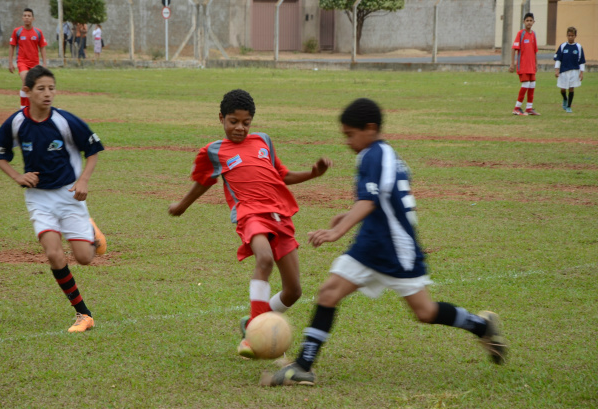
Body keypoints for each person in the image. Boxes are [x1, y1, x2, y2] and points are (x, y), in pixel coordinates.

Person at [264, 98, 507, 386]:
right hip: (371, 244)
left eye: (350, 135)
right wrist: (347, 215)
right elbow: (382, 200)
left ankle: (481, 326)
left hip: (396, 250)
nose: (347, 141)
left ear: (370, 128)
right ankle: (303, 366)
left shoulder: (373, 155)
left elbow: (369, 201)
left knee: (425, 312)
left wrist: (337, 231)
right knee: (328, 292)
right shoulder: (382, 153)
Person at [168, 89, 332, 358]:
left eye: (246, 123)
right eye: (233, 121)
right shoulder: (214, 151)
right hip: (250, 214)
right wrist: (183, 205)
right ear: (221, 118)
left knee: (294, 291)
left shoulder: (264, 141)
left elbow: (283, 176)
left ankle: (253, 321)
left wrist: (314, 173)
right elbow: (203, 182)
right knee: (264, 259)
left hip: (279, 215)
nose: (240, 128)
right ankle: (254, 333)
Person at [0, 66, 107, 333]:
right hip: (38, 199)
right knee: (53, 254)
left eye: (51, 88)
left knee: (85, 258)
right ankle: (83, 314)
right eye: (41, 89)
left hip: (68, 196)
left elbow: (93, 150)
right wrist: (17, 176)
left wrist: (84, 180)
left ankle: (90, 230)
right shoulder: (17, 122)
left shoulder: (65, 121)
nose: (47, 94)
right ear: (27, 92)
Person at [8, 8, 47, 108]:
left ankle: (29, 107)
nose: (26, 18)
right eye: (25, 16)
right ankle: (23, 108)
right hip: (22, 62)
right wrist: (10, 63)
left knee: (33, 84)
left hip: (35, 63)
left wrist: (44, 63)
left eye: (29, 16)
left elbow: (42, 47)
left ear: (33, 18)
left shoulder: (38, 32)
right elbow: (12, 46)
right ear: (22, 18)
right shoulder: (17, 31)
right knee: (26, 81)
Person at [509, 13, 540, 116]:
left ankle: (529, 108)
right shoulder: (521, 34)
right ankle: (516, 108)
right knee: (525, 84)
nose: (529, 22)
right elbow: (514, 48)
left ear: (533, 22)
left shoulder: (533, 34)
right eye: (527, 20)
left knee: (532, 85)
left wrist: (536, 63)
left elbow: (535, 50)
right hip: (523, 65)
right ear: (524, 22)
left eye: (531, 20)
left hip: (531, 66)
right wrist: (512, 64)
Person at [554, 26, 586, 113]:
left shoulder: (579, 47)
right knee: (563, 89)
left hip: (574, 71)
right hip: (563, 71)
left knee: (571, 88)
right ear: (567, 36)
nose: (570, 37)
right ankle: (565, 98)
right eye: (569, 35)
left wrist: (581, 73)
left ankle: (568, 106)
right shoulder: (563, 46)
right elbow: (558, 59)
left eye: (572, 35)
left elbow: (581, 61)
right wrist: (556, 70)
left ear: (575, 36)